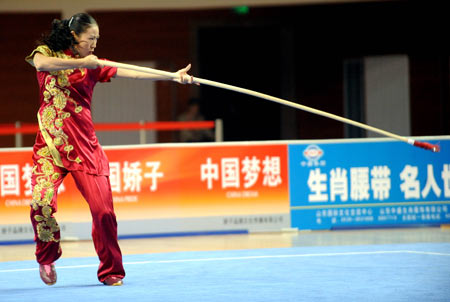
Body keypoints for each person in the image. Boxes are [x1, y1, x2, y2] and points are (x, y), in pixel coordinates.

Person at [25, 13, 194, 286]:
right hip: (49, 146)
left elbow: (134, 73)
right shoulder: (48, 53)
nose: (94, 44)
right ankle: (46, 255)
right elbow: (40, 63)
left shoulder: (95, 65)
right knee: (40, 203)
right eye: (90, 38)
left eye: (97, 39)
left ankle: (111, 270)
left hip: (84, 147)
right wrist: (83, 62)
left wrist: (173, 77)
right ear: (74, 37)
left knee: (103, 212)